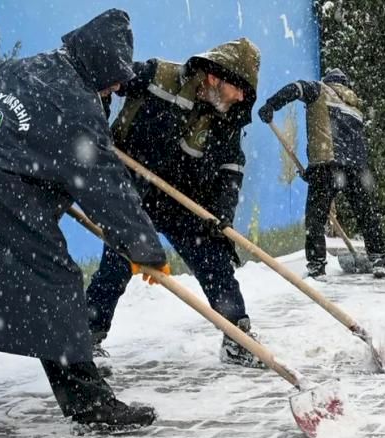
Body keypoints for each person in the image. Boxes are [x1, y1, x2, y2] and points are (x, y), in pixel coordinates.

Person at [0, 9, 168, 430]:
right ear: (98, 62)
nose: (114, 85)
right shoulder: (74, 104)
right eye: (112, 75)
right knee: (55, 290)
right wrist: (144, 247)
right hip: (6, 206)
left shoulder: (27, 66)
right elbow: (107, 186)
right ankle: (90, 406)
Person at [84, 39, 265, 368]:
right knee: (117, 264)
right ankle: (86, 341)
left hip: (182, 202)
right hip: (134, 193)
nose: (241, 98)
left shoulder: (227, 118)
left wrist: (221, 217)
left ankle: (237, 338)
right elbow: (104, 80)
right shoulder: (158, 76)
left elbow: (230, 169)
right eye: (239, 88)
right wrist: (98, 127)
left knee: (214, 260)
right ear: (215, 77)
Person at [258, 69, 385, 279]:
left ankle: (317, 265)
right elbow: (346, 143)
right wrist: (313, 172)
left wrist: (272, 104)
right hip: (357, 167)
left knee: (316, 218)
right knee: (366, 213)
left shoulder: (319, 90)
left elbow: (295, 88)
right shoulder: (354, 106)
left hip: (327, 165)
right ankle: (379, 258)